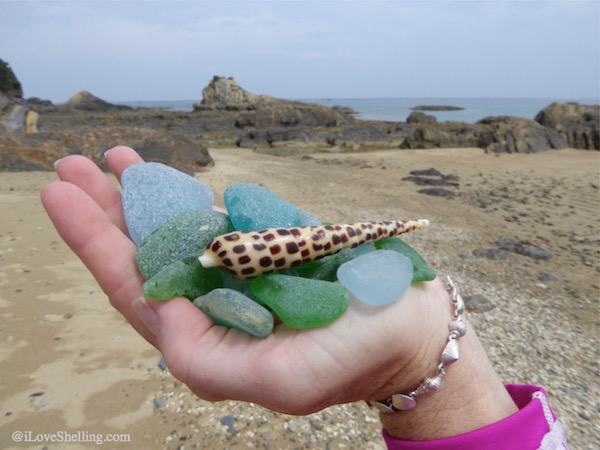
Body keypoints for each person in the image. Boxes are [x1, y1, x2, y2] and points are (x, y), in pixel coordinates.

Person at [41, 146, 568, 449]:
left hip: (275, 253)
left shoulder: (236, 248)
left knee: (324, 240)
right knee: (320, 241)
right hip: (266, 256)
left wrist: (420, 352)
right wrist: (421, 365)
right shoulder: (228, 249)